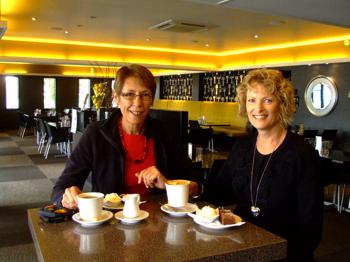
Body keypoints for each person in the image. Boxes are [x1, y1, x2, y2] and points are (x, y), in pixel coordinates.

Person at [203, 69, 323, 261]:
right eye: (251, 100)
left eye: (267, 100)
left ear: (282, 104)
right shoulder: (242, 147)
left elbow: (311, 227)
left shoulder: (302, 154)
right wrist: (187, 186)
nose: (257, 109)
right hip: (242, 247)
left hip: (285, 254)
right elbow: (220, 193)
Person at [51, 64, 199, 209]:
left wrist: (168, 183)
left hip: (159, 222)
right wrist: (66, 198)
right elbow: (61, 187)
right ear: (116, 97)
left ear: (152, 100)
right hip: (110, 222)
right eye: (129, 94)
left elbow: (195, 185)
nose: (137, 103)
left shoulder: (165, 133)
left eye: (145, 95)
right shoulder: (96, 133)